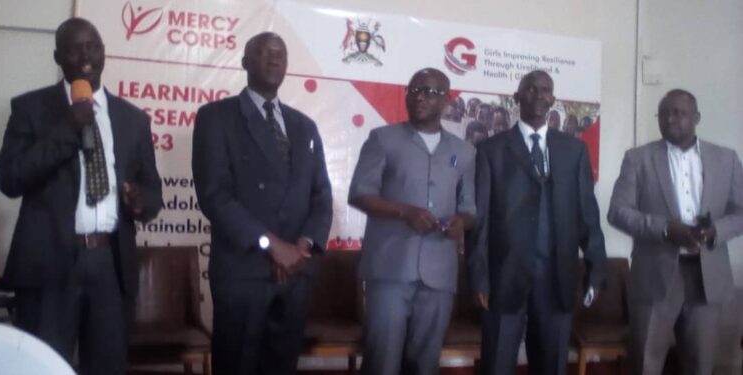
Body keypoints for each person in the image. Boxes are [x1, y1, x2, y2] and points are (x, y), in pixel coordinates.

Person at [0, 17, 162, 375]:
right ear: (59, 57)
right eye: (75, 47)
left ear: (104, 52)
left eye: (94, 46)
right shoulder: (30, 109)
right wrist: (68, 127)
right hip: (48, 264)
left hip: (109, 263)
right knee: (42, 366)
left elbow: (153, 190)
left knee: (106, 366)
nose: (86, 55)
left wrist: (141, 202)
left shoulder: (133, 119)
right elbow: (10, 179)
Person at [192, 32, 333, 375]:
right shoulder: (215, 118)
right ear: (244, 63)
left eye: (280, 54)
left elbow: (322, 197)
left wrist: (302, 246)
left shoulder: (305, 126)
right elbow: (215, 196)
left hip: (295, 274)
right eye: (264, 52)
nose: (274, 59)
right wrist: (272, 245)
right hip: (244, 273)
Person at [468, 70, 606, 375]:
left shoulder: (574, 151)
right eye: (531, 90)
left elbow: (588, 214)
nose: (539, 96)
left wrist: (597, 268)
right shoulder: (491, 151)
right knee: (497, 365)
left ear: (553, 100)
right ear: (518, 98)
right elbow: (480, 222)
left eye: (545, 91)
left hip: (556, 279)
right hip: (503, 279)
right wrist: (479, 275)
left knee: (552, 366)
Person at [349, 68, 476, 375]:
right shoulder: (383, 139)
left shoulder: (465, 151)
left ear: (446, 100)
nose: (420, 96)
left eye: (430, 92)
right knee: (382, 363)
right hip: (390, 270)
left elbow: (470, 209)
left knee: (425, 363)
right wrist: (404, 212)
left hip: (439, 274)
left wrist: (462, 223)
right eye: (414, 90)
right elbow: (359, 194)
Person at [608, 89, 743, 375]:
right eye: (664, 113)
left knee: (700, 365)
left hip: (707, 276)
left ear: (696, 117)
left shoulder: (726, 159)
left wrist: (715, 231)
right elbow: (618, 212)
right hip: (655, 274)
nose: (671, 119)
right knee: (645, 363)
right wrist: (666, 230)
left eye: (679, 113)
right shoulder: (638, 159)